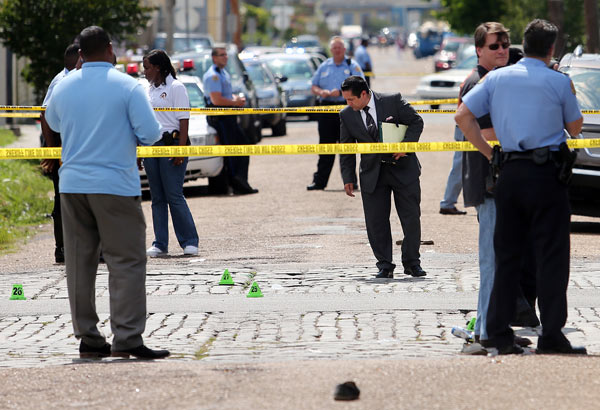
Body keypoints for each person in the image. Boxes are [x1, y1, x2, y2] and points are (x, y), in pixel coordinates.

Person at [456, 19, 586, 355]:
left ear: (522, 45)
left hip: (509, 173)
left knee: (507, 256)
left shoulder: (496, 78)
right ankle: (552, 335)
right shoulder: (558, 81)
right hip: (547, 176)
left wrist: (491, 154)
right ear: (552, 49)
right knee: (552, 257)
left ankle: (498, 333)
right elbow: (575, 127)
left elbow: (462, 117)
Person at [44, 26, 169, 359]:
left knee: (79, 263)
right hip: (115, 185)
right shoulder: (128, 87)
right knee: (126, 260)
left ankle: (88, 336)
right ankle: (127, 336)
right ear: (111, 49)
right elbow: (150, 134)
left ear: (81, 53)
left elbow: (53, 125)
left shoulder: (63, 86)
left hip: (72, 187)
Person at [339, 76, 426, 279]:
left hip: (404, 169)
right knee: (376, 222)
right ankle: (384, 264)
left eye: (351, 99)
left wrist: (406, 146)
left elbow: (416, 122)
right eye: (345, 100)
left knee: (411, 218)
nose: (348, 104)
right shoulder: (346, 115)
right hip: (372, 174)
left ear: (363, 94)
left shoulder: (392, 100)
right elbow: (345, 149)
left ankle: (412, 262)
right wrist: (348, 177)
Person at [142, 49, 199, 258]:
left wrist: (181, 149)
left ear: (158, 67)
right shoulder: (148, 90)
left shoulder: (176, 87)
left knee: (174, 195)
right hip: (151, 145)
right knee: (157, 197)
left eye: (147, 68)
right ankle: (160, 243)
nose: (144, 72)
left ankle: (189, 241)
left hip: (172, 142)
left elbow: (184, 120)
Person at [40, 43, 80, 264]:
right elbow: (45, 114)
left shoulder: (71, 79)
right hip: (64, 149)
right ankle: (63, 248)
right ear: (77, 61)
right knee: (63, 200)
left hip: (73, 147)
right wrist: (52, 148)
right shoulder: (62, 81)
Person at [307, 37, 363, 191]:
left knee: (347, 148)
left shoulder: (352, 66)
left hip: (345, 109)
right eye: (334, 48)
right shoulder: (324, 66)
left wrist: (340, 92)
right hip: (325, 110)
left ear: (344, 50)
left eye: (339, 48)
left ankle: (351, 181)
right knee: (325, 146)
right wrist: (321, 92)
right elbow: (313, 85)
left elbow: (361, 85)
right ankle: (319, 182)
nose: (337, 50)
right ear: (331, 50)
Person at [202, 45, 258, 195]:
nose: (225, 57)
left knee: (243, 147)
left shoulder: (223, 73)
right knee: (232, 151)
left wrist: (236, 99)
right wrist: (235, 103)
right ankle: (236, 183)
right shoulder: (213, 75)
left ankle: (241, 182)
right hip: (221, 118)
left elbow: (226, 96)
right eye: (221, 55)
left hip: (229, 117)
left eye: (226, 55)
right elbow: (216, 100)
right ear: (214, 58)